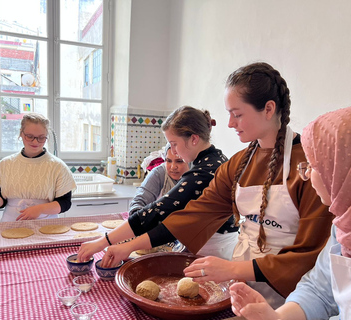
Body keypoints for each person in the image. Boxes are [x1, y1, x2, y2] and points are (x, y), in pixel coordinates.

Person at [91, 62, 333, 308]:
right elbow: (195, 214)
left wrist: (233, 268)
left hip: (292, 299)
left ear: (269, 108)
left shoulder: (310, 167)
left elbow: (310, 253)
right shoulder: (239, 164)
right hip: (241, 288)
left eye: (237, 114)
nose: (229, 123)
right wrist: (126, 247)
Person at [229, 106, 351, 320]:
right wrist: (278, 318)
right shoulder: (344, 228)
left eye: (313, 166)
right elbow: (318, 291)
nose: (307, 175)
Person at [77, 106, 239, 261]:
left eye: (174, 143)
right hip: (211, 245)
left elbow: (157, 213)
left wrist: (103, 242)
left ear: (194, 139)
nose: (173, 150)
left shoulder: (204, 172)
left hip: (216, 250)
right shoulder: (214, 159)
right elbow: (174, 223)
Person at [0, 113, 76, 222]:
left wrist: (40, 209)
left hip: (47, 225)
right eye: (29, 136)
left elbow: (65, 203)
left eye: (41, 137)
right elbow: (1, 203)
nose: (35, 141)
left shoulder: (57, 166)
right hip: (11, 223)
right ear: (21, 134)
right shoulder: (5, 164)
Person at [128, 143, 190, 215]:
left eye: (179, 161)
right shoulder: (159, 173)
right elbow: (139, 201)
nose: (173, 167)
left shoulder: (199, 175)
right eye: (168, 161)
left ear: (190, 161)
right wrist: (138, 217)